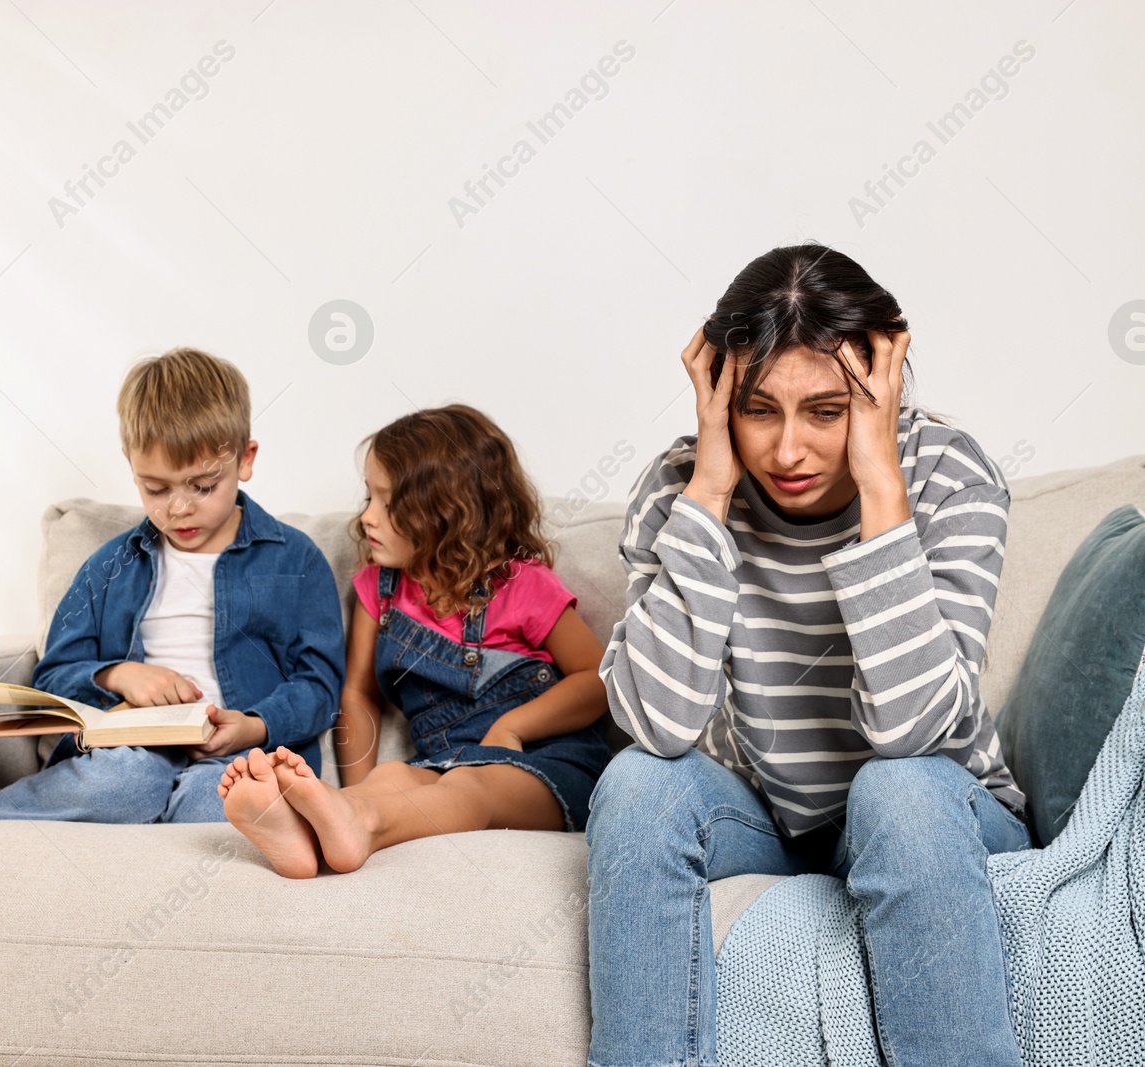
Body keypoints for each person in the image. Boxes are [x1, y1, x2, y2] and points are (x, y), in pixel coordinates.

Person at [586, 245, 1032, 1067]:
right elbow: (654, 721)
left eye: (825, 411)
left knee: (895, 789)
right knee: (639, 783)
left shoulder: (947, 475)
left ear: (879, 383)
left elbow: (915, 730)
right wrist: (710, 493)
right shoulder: (681, 488)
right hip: (766, 819)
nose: (788, 451)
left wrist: (881, 488)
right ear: (720, 396)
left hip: (934, 808)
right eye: (760, 410)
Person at [0, 347, 345, 832]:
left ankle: (169, 823)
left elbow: (319, 683)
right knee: (127, 783)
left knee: (214, 801)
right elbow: (53, 677)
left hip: (242, 755)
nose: (178, 508)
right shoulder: (109, 567)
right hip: (134, 752)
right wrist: (119, 675)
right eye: (155, 488)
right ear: (131, 465)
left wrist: (255, 725)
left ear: (245, 459)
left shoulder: (295, 559)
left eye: (202, 486)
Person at [218, 404, 611, 878]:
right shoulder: (379, 591)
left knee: (469, 789)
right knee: (393, 774)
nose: (367, 517)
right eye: (369, 498)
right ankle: (319, 827)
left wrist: (514, 727)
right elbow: (360, 694)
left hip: (545, 761)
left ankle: (360, 824)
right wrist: (349, 789)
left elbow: (597, 679)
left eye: (389, 504)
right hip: (443, 758)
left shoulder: (522, 583)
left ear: (450, 513)